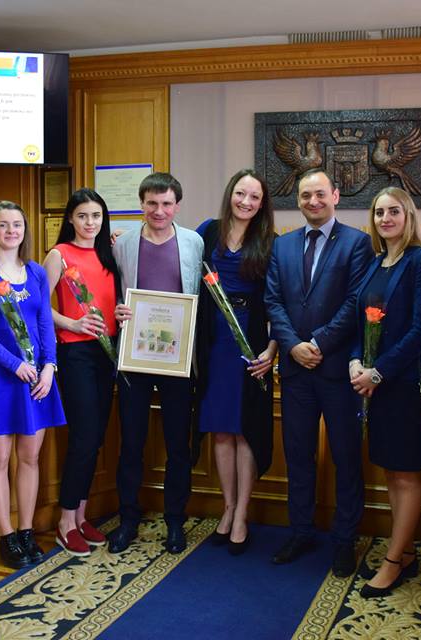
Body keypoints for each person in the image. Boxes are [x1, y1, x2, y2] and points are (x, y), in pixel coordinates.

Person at [265, 168, 374, 577]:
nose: (313, 202)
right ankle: (301, 531)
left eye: (320, 194)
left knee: (346, 458)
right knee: (298, 456)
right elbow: (273, 300)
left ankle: (344, 540)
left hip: (338, 371)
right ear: (298, 200)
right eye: (305, 195)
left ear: (336, 196)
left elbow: (355, 301)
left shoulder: (357, 243)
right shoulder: (283, 245)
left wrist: (319, 343)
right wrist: (293, 345)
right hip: (296, 371)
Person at [0, 200, 65, 569]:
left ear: (25, 230)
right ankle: (6, 536)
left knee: (30, 457)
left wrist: (49, 366)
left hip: (37, 379)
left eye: (17, 224)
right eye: (3, 224)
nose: (11, 231)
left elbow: (45, 324)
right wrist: (13, 364)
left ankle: (26, 531)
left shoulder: (36, 272)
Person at [109, 172, 203, 555]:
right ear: (141, 204)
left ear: (177, 206)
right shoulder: (123, 244)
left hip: (178, 360)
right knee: (131, 442)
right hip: (134, 357)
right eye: (151, 203)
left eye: (166, 203)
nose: (159, 210)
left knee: (178, 444)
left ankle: (175, 521)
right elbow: (112, 291)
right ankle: (128, 519)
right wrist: (117, 309)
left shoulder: (194, 242)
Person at [347, 187, 421, 597]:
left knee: (405, 473)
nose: (385, 219)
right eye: (379, 212)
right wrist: (354, 361)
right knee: (391, 472)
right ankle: (407, 549)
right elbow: (359, 322)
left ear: (408, 215)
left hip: (403, 385)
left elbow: (420, 329)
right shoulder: (376, 262)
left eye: (393, 211)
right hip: (374, 386)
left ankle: (394, 560)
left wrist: (378, 372)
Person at [192, 169, 277, 555]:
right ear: (230, 195)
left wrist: (272, 350)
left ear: (262, 204)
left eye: (254, 197)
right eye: (241, 193)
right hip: (213, 342)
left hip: (251, 344)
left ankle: (242, 513)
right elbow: (179, 264)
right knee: (221, 430)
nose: (246, 201)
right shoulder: (208, 231)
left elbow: (279, 302)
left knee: (246, 431)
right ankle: (227, 507)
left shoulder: (271, 242)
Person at [43, 188, 120, 557]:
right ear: (70, 219)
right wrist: (72, 323)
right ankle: (65, 521)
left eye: (96, 216)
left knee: (96, 438)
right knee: (84, 437)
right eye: (83, 216)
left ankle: (81, 516)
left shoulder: (109, 253)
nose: (90, 223)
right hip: (75, 353)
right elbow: (39, 308)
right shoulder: (58, 254)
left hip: (108, 352)